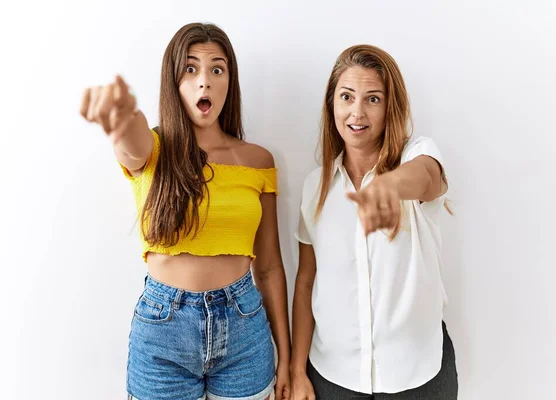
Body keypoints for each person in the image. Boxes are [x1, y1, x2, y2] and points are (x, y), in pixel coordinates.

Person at [79, 23, 290, 400]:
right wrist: (121, 118)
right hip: (164, 330)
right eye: (190, 69)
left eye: (217, 69)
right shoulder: (155, 148)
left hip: (245, 330)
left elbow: (271, 267)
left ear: (230, 80)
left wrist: (287, 361)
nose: (204, 82)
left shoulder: (258, 161)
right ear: (173, 81)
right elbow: (133, 141)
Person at [290, 44, 458, 400]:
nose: (357, 111)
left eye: (373, 99)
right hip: (333, 378)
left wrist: (388, 186)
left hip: (418, 378)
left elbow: (427, 176)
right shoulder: (314, 187)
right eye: (347, 96)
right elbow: (306, 283)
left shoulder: (417, 156)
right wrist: (296, 369)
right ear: (331, 103)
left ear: (389, 107)